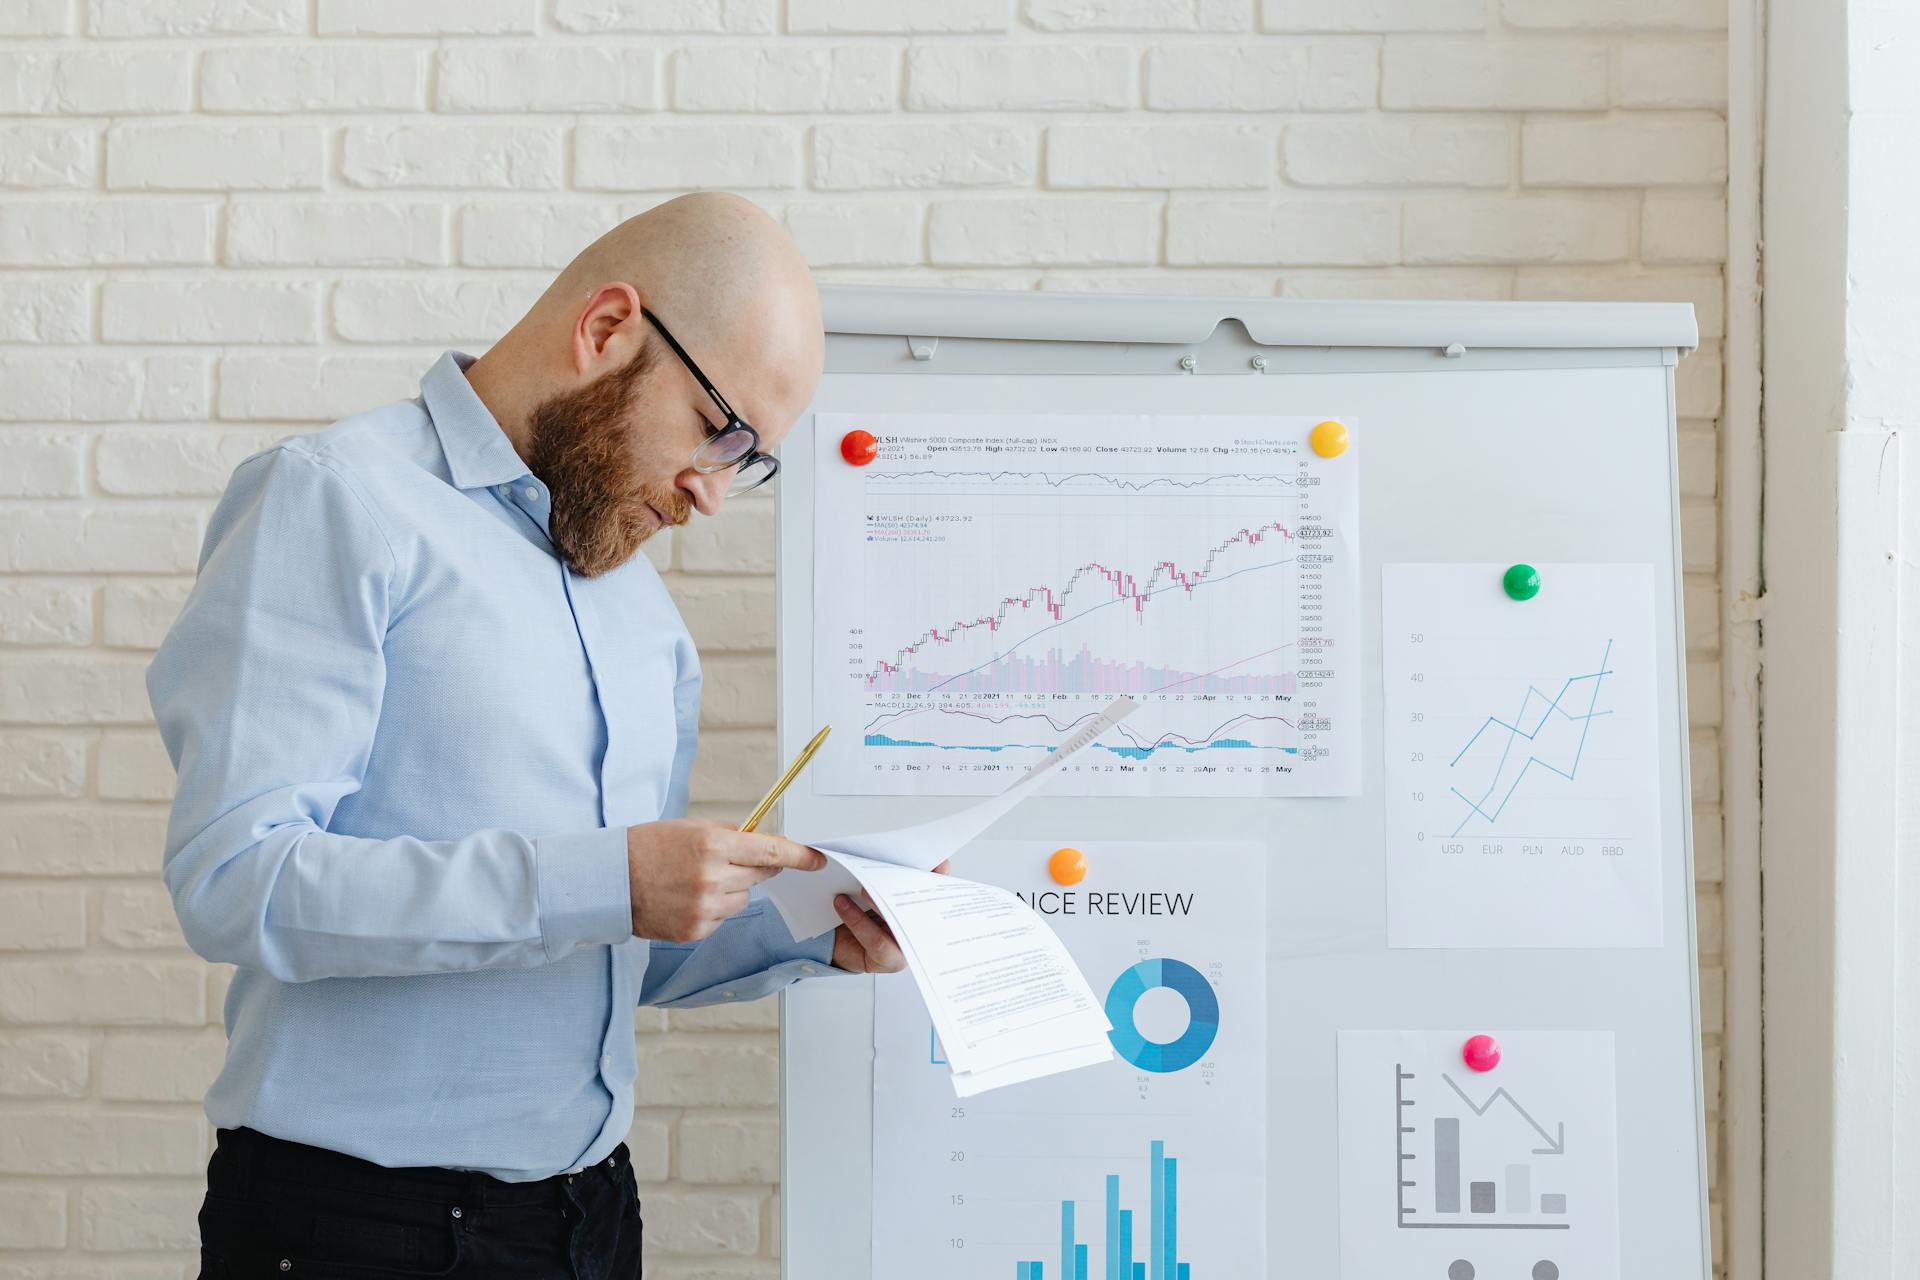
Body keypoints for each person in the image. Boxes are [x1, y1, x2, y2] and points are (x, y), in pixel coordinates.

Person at [148, 191, 922, 1279]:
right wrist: (606, 876)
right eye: (719, 431)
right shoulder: (338, 501)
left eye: (753, 459)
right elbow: (238, 878)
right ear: (607, 330)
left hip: (590, 1220)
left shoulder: (638, 607)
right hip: (362, 1231)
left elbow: (603, 946)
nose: (713, 491)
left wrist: (809, 930)